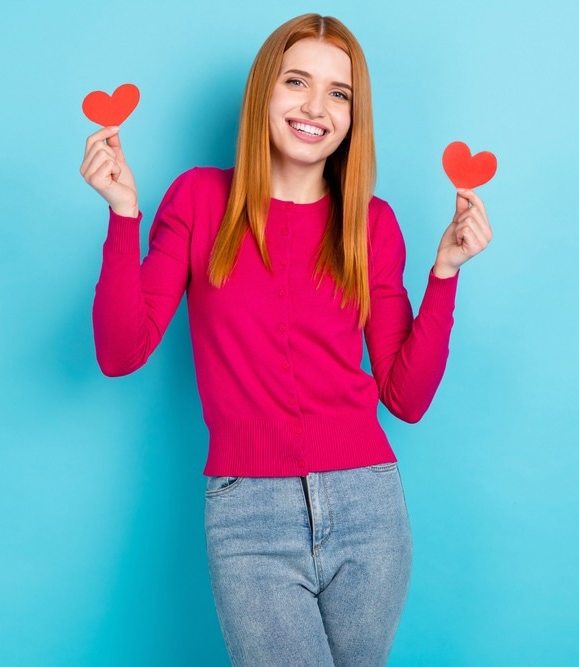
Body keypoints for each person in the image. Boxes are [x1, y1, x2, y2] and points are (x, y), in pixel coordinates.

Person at [79, 13, 491, 666]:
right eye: (296, 81)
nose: (314, 106)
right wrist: (123, 214)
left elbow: (405, 398)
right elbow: (119, 350)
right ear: (264, 93)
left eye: (338, 92)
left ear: (354, 116)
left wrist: (444, 276)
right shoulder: (197, 200)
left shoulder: (370, 224)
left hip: (369, 507)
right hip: (250, 514)